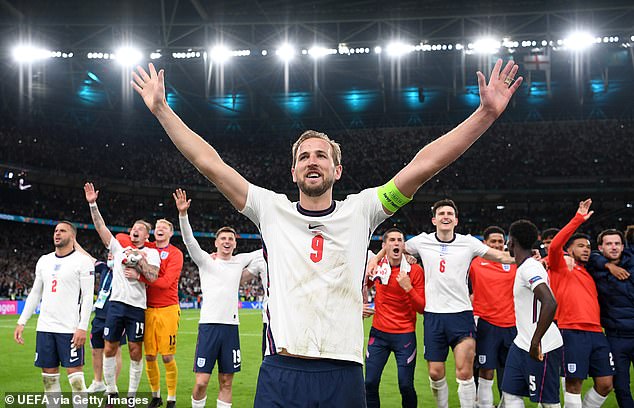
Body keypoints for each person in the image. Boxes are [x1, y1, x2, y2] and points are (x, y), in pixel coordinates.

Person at [131, 58, 522, 406]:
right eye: (304, 156)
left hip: (343, 372)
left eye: (321, 155)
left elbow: (422, 166)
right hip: (281, 369)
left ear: (337, 170)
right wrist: (162, 109)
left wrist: (485, 114)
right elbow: (210, 163)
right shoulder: (270, 209)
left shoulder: (362, 210)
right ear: (293, 172)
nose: (312, 161)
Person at [383, 199, 514, 408]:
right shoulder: (421, 241)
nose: (446, 216)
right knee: (435, 373)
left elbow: (498, 256)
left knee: (465, 371)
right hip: (433, 315)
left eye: (450, 214)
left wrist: (526, 258)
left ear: (456, 220)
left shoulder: (468, 242)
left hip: (461, 314)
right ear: (434, 220)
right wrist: (379, 259)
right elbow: (394, 246)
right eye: (442, 213)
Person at [173, 188, 260, 408]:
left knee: (226, 382)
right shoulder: (206, 262)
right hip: (209, 327)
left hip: (231, 328)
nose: (227, 241)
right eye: (223, 238)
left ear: (235, 243)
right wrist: (183, 215)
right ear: (216, 243)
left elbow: (264, 251)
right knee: (202, 382)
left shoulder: (240, 261)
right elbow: (189, 241)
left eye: (231, 238)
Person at [83, 182, 161, 404]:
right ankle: (111, 391)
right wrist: (93, 205)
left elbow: (153, 276)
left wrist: (139, 263)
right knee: (109, 346)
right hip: (116, 304)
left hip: (137, 307)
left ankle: (132, 395)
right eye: (133, 228)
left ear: (146, 236)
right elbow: (100, 227)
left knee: (135, 350)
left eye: (141, 229)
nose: (135, 230)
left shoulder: (151, 253)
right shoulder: (118, 247)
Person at [13, 221, 95, 407]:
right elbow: (35, 293)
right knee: (49, 380)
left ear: (72, 236)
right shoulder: (44, 260)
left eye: (62, 230)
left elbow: (88, 297)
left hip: (70, 329)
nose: (57, 233)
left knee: (76, 381)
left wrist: (82, 327)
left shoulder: (82, 261)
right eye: (56, 230)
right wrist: (22, 321)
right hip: (45, 328)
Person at [547, 199, 614, 408]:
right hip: (571, 330)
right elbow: (556, 244)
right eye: (580, 246)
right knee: (573, 384)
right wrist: (578, 219)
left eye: (588, 246)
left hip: (597, 333)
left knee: (605, 384)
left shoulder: (590, 272)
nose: (586, 249)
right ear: (569, 250)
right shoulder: (560, 266)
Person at [117, 219, 184, 408]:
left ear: (171, 233)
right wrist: (132, 247)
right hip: (147, 309)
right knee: (150, 356)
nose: (160, 229)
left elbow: (165, 282)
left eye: (165, 227)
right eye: (158, 227)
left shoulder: (175, 254)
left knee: (167, 356)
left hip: (168, 308)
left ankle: (171, 398)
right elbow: (121, 238)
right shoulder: (148, 247)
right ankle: (156, 396)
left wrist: (140, 276)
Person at [501, 219, 563, 408]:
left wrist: (536, 342)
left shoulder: (529, 268)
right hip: (521, 343)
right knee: (510, 394)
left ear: (511, 242)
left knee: (548, 402)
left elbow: (550, 302)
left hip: (542, 345)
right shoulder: (526, 266)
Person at [364, 228, 425, 408]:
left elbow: (421, 307)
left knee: (406, 385)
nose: (396, 243)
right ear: (384, 246)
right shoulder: (376, 267)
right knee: (369, 383)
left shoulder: (415, 270)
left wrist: (408, 288)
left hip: (404, 336)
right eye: (391, 240)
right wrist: (359, 304)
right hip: (379, 335)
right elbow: (360, 285)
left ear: (404, 245)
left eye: (399, 240)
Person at [469, 226, 517, 408]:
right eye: (493, 241)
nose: (497, 245)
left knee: (511, 372)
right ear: (484, 244)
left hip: (512, 325)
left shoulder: (516, 263)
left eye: (500, 241)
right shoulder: (475, 262)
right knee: (486, 370)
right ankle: (484, 405)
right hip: (486, 324)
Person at [587, 229, 634, 408]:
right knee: (621, 386)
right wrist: (608, 266)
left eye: (617, 243)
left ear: (623, 246)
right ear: (600, 247)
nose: (613, 247)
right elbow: (588, 256)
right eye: (608, 244)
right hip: (616, 337)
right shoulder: (593, 266)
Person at [84, 253, 125, 393]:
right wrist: (73, 241)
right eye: (109, 253)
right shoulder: (104, 268)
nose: (109, 256)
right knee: (96, 350)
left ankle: (112, 385)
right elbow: (88, 257)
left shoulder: (124, 271)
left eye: (113, 254)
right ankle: (98, 382)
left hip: (116, 316)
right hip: (99, 315)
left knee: (115, 351)